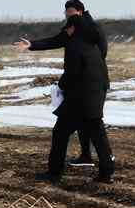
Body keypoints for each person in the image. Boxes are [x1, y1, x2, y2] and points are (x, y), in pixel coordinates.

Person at [17, 12, 115, 184]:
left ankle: (54, 173)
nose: (66, 32)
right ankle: (107, 172)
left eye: (67, 28)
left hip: (79, 99)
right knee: (98, 134)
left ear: (73, 28)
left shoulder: (75, 46)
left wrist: (59, 87)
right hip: (96, 95)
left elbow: (71, 74)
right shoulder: (92, 45)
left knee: (60, 133)